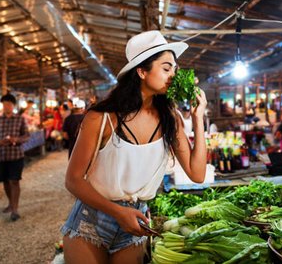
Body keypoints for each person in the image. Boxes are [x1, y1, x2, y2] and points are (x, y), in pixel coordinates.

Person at [61, 30, 207, 264]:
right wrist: (119, 213)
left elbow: (197, 174)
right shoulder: (102, 118)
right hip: (92, 220)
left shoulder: (171, 118)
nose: (173, 76)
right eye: (166, 68)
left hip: (137, 221)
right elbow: (73, 180)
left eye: (175, 70)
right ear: (141, 71)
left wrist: (199, 117)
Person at [0, 93, 30, 221]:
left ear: (13, 106)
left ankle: (15, 209)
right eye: (5, 104)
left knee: (14, 180)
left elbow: (27, 136)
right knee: (6, 181)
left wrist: (16, 139)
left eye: (9, 104)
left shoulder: (20, 119)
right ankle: (11, 203)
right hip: (1, 155)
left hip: (16, 155)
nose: (7, 106)